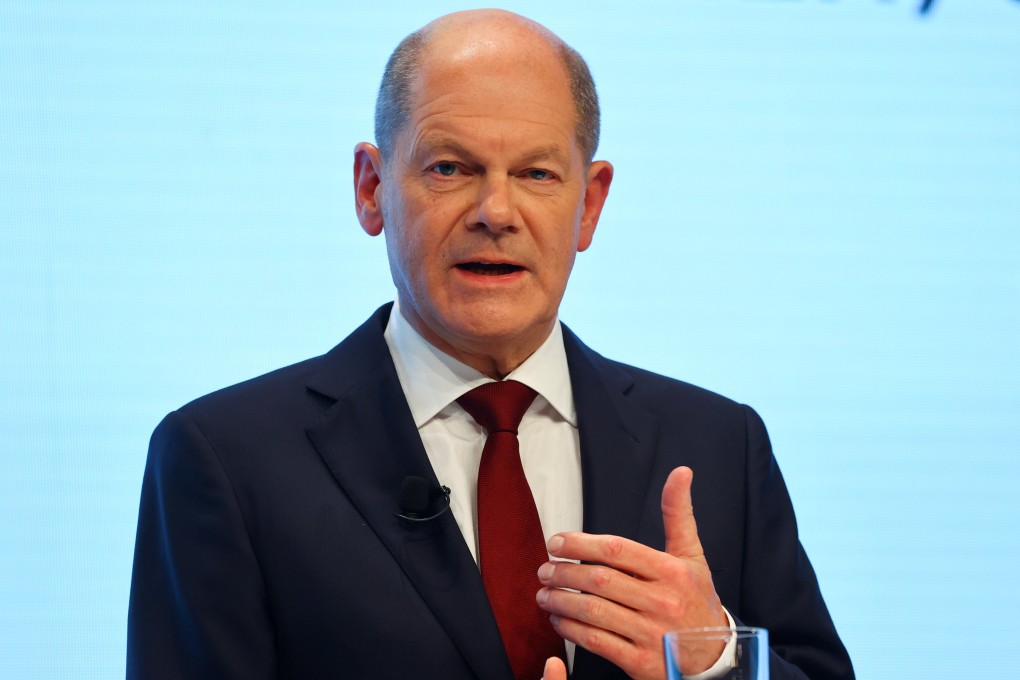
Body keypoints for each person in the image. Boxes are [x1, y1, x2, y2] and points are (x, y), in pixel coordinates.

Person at [127, 9, 854, 680]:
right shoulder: (225, 458)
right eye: (450, 168)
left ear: (589, 205)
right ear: (372, 187)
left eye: (537, 174)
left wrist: (713, 656)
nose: (495, 212)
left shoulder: (719, 443)